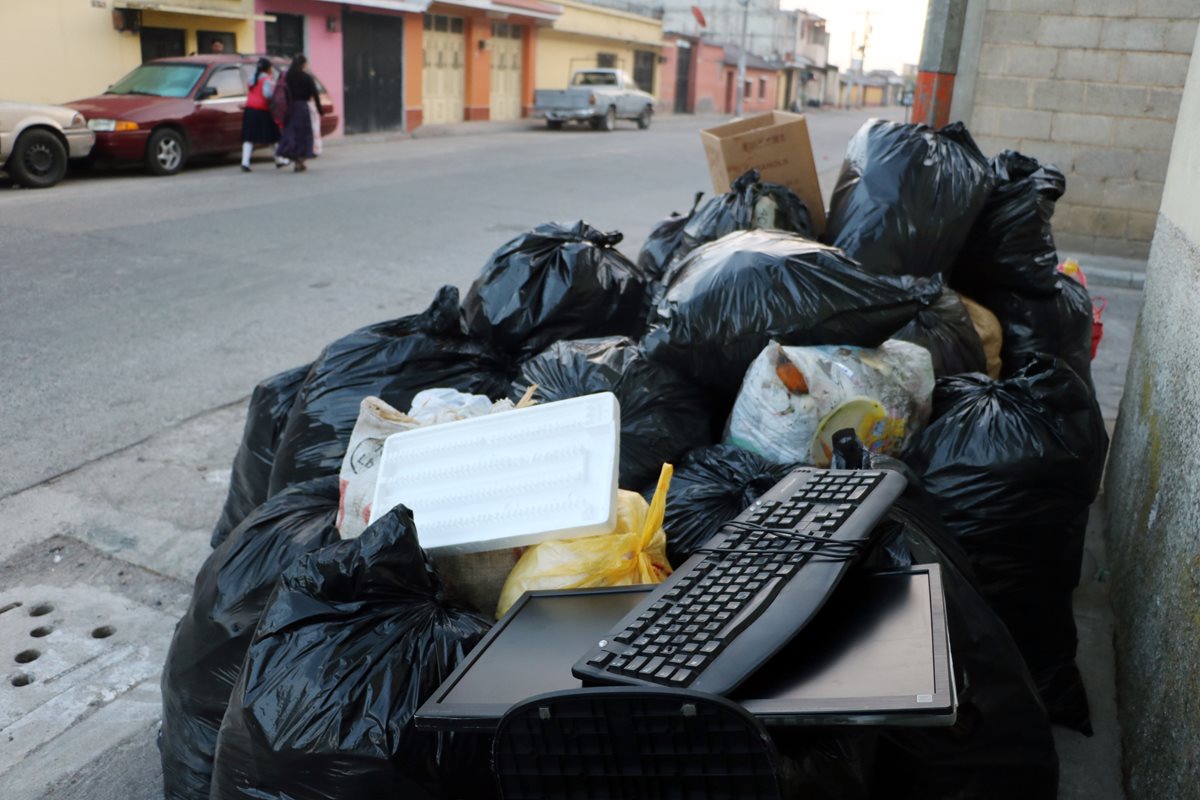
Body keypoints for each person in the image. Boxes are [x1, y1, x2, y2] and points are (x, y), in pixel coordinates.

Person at [275, 53, 319, 173]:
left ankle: (296, 160)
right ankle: (301, 161)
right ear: (303, 64)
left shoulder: (288, 76)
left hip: (290, 108)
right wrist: (320, 110)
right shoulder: (306, 77)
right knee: (304, 135)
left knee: (292, 134)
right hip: (303, 108)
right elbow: (315, 93)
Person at [240, 58, 280, 172]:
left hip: (250, 110)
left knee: (249, 137)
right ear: (268, 68)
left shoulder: (252, 78)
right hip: (262, 111)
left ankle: (245, 162)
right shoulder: (266, 79)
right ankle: (279, 159)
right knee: (272, 136)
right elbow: (267, 95)